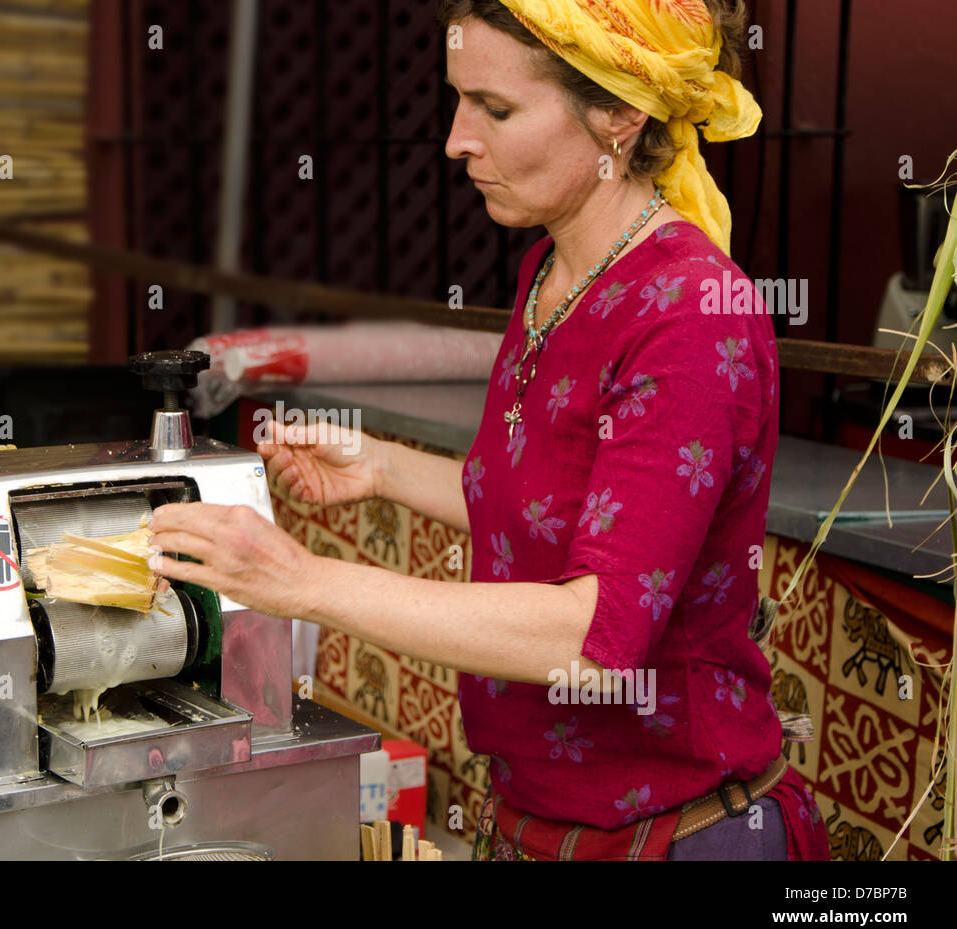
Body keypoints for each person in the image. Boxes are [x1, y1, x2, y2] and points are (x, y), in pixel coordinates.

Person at [145, 0, 830, 861]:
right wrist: (382, 465)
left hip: (676, 833)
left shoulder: (690, 313)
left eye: (496, 109)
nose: (456, 140)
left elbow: (596, 636)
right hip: (537, 819)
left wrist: (303, 581)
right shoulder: (550, 272)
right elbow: (558, 512)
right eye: (459, 100)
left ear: (619, 114)